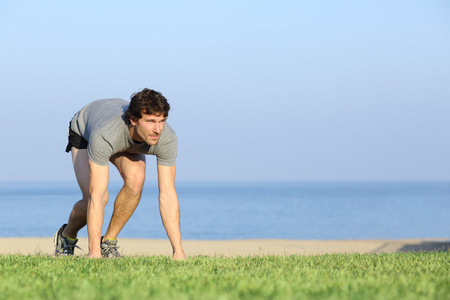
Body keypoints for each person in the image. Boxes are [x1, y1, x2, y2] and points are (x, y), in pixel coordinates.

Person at [53, 88, 186, 259]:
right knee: (97, 198)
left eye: (162, 121)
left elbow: (167, 194)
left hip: (123, 136)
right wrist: (94, 254)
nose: (158, 129)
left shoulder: (167, 139)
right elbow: (97, 194)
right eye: (151, 121)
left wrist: (178, 251)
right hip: (86, 132)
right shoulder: (105, 134)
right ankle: (66, 237)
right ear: (133, 120)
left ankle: (108, 242)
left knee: (136, 180)